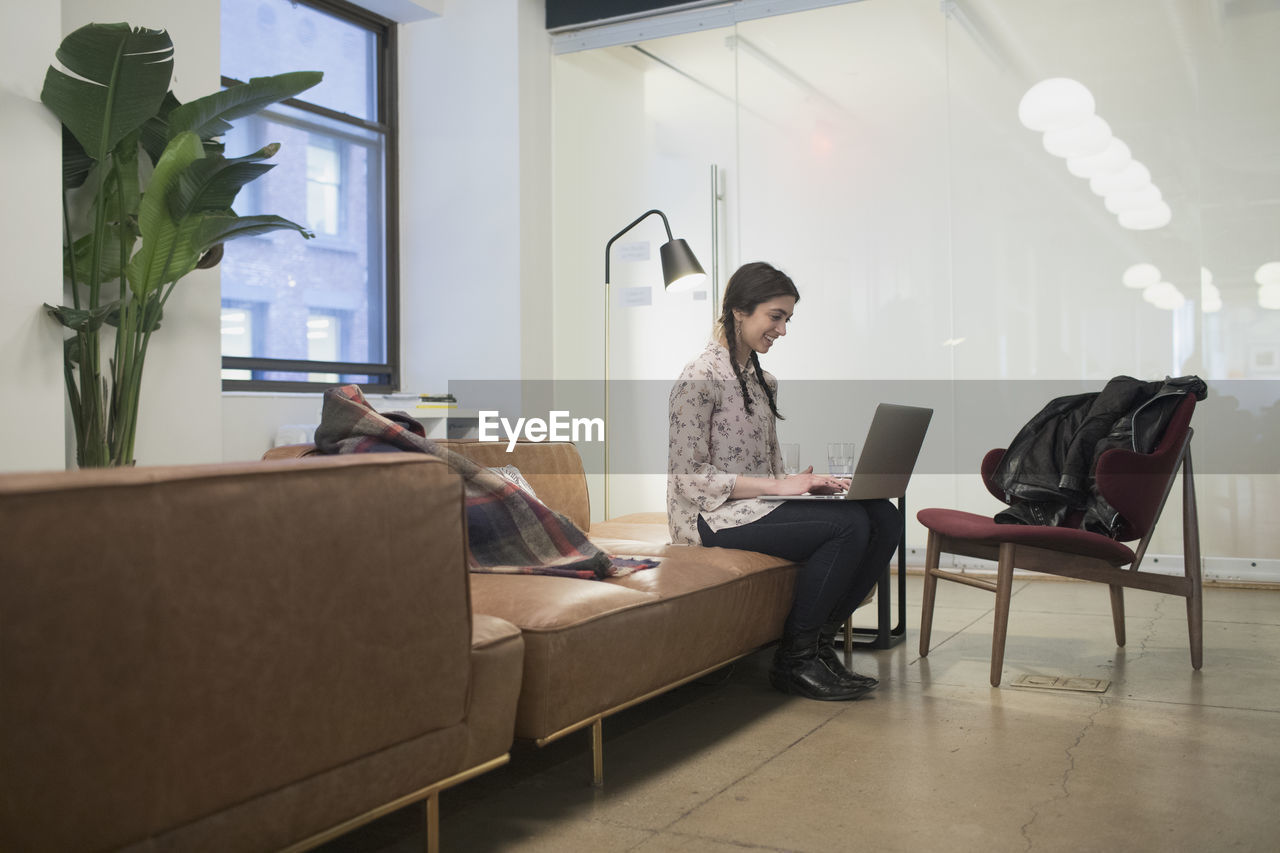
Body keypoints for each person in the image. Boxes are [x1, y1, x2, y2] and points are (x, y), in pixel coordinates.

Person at [667, 261, 902, 701]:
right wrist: (779, 487)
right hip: (708, 518)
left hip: (752, 507)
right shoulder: (699, 376)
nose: (783, 329)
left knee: (883, 517)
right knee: (847, 526)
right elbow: (689, 479)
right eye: (776, 316)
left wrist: (800, 482)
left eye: (787, 319)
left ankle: (819, 645)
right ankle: (795, 660)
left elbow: (769, 469)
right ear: (740, 310)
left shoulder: (763, 381)